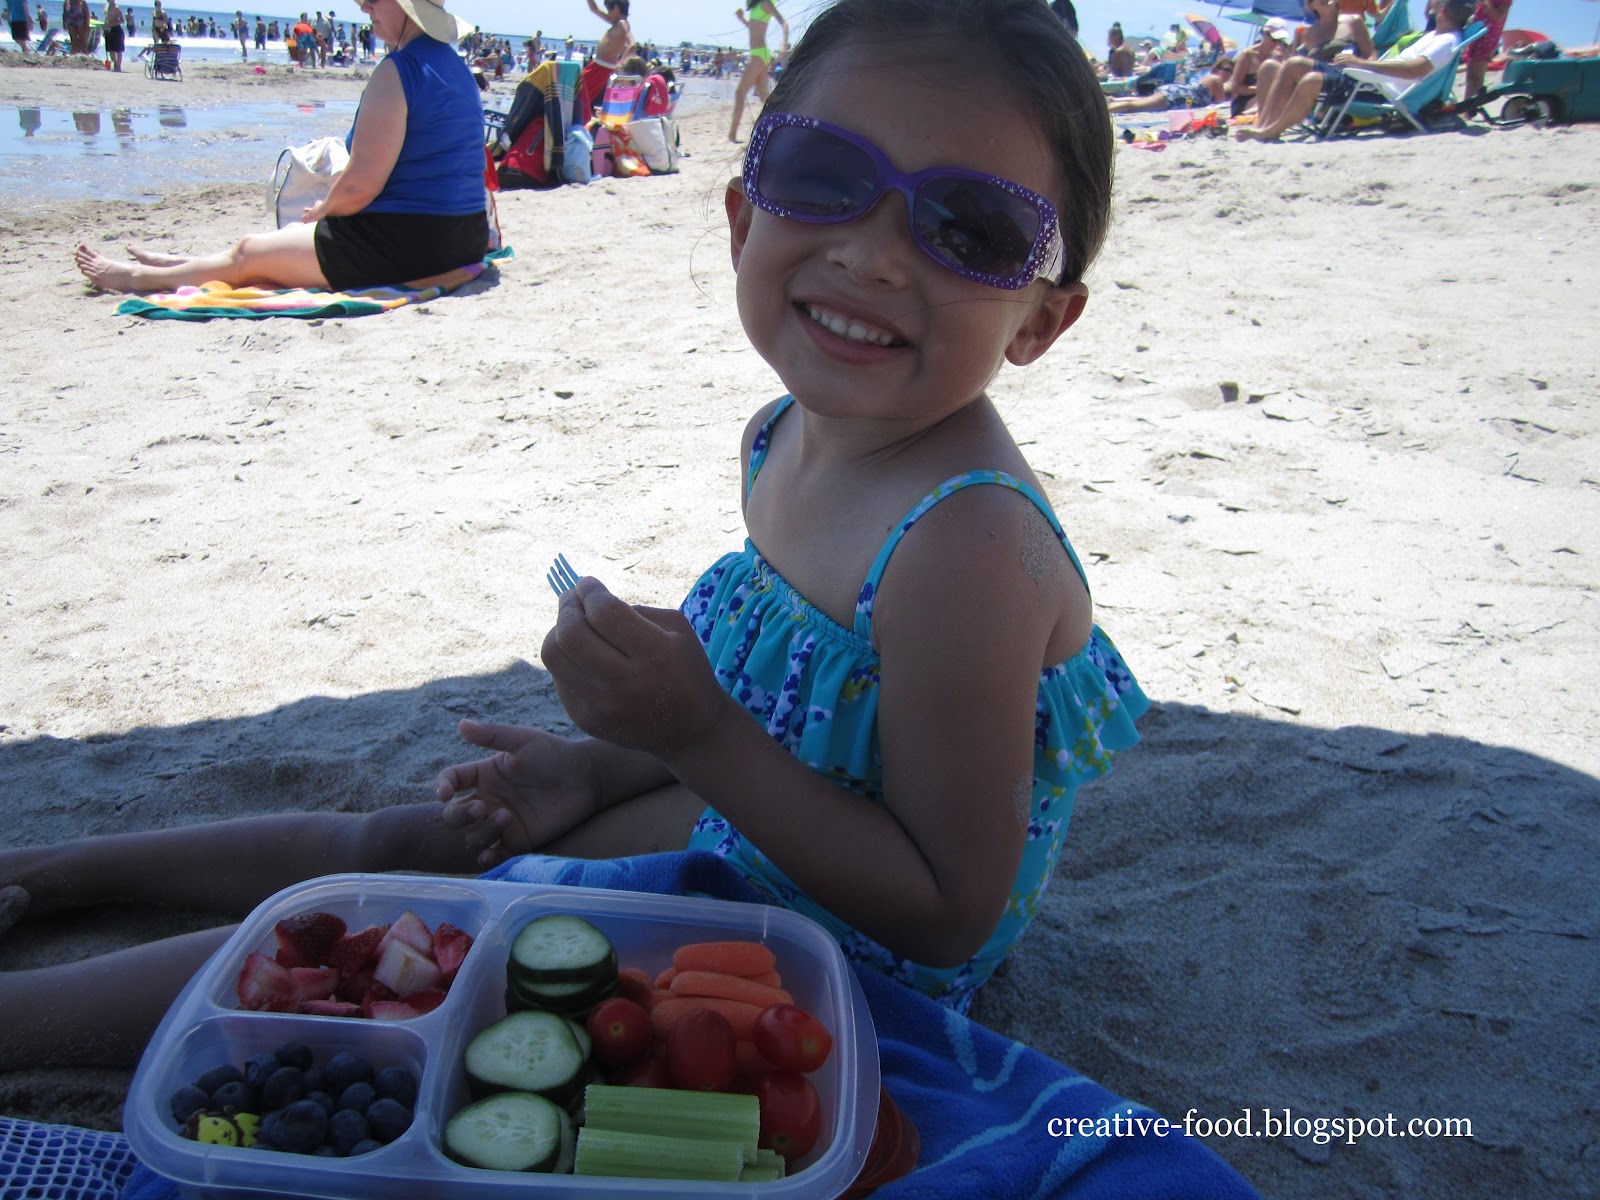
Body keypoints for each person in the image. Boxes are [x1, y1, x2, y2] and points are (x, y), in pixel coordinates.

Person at [7, 0, 1142, 1066]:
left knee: (420, 921)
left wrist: (693, 734)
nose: (874, 254)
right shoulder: (782, 434)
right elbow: (791, 717)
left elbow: (945, 912)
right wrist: (594, 771)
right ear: (743, 216)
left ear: (1039, 321)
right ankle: (52, 872)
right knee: (409, 841)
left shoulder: (965, 550)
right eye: (822, 177)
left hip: (838, 943)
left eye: (970, 228)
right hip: (751, 818)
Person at [74, 0, 489, 296]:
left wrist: (323, 209)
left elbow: (360, 188)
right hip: (464, 237)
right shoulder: (455, 68)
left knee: (250, 251)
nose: (364, 6)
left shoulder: (398, 71)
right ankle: (179, 264)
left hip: (413, 245)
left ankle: (135, 278)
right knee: (275, 246)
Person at [1235, 0, 1474, 140]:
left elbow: (1414, 70)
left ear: (1442, 11)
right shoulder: (1436, 35)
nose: (1431, 4)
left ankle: (1270, 131)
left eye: (1437, 2)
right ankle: (1264, 126)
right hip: (1370, 79)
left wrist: (1361, 63)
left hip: (1378, 87)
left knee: (1311, 80)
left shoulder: (1447, 40)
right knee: (1294, 64)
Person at [727, 0, 787, 141]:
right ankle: (782, 125)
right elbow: (754, 28)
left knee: (740, 93)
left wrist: (784, 45)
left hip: (759, 55)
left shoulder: (766, 3)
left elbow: (784, 23)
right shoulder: (757, 7)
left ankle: (731, 136)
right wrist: (742, 19)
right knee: (763, 96)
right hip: (760, 54)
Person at [1106, 58, 1233, 112]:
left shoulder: (1208, 77)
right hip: (1177, 97)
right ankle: (1106, 111)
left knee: (1140, 102)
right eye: (1226, 70)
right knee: (1136, 106)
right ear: (1217, 68)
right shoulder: (1216, 79)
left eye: (1231, 72)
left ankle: (1112, 103)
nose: (1228, 74)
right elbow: (1220, 102)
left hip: (1175, 92)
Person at [579, 0, 632, 122]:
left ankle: (580, 119)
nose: (608, 13)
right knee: (582, 93)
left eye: (609, 10)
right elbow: (594, 9)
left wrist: (620, 64)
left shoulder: (623, 24)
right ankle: (583, 117)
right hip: (597, 66)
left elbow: (632, 44)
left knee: (579, 92)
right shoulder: (616, 23)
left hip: (602, 68)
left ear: (616, 8)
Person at [1463, 0, 1511, 99]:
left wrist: (1485, 2)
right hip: (1476, 39)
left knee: (1475, 79)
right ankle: (1469, 105)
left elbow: (1499, 16)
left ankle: (1471, 106)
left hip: (1486, 41)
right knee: (1471, 78)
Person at [102, 0, 124, 67]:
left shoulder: (116, 8)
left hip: (116, 29)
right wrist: (104, 28)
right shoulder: (106, 7)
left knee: (118, 50)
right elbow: (106, 19)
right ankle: (115, 64)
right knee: (111, 50)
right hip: (108, 29)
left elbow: (122, 20)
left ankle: (118, 66)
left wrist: (112, 23)